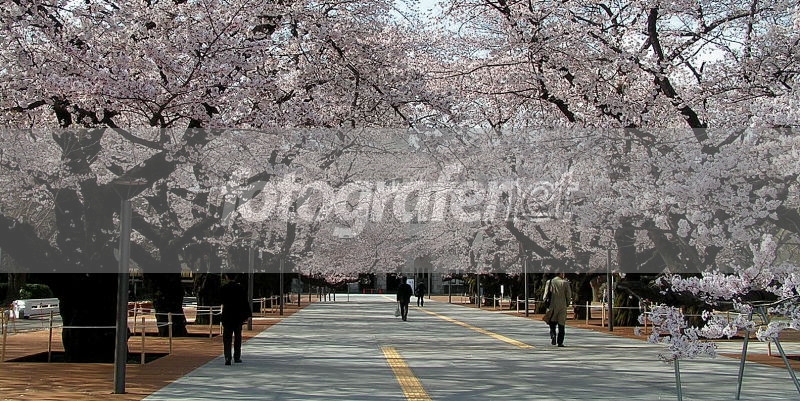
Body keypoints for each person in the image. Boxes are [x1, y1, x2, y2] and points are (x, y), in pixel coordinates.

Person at [220, 275, 252, 365]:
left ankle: (227, 357)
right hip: (238, 316)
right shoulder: (240, 288)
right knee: (238, 337)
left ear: (227, 277)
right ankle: (237, 357)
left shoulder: (224, 288)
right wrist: (248, 314)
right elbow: (245, 301)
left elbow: (221, 300)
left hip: (227, 315)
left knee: (227, 337)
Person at [543, 272, 572, 347]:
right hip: (562, 305)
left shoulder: (549, 282)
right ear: (560, 274)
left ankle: (553, 334)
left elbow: (545, 294)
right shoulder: (565, 283)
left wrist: (545, 303)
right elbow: (568, 295)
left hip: (552, 305)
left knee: (552, 322)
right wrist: (568, 303)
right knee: (561, 324)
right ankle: (560, 342)